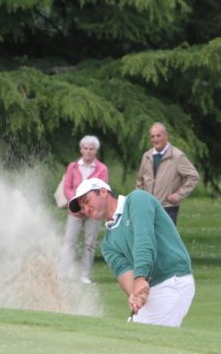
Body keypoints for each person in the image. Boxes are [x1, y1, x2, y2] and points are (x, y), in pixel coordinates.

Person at [68, 178, 195, 327]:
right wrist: (136, 295)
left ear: (103, 192)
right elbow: (124, 272)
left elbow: (144, 239)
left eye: (87, 201)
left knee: (149, 342)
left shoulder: (137, 199)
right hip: (152, 290)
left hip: (172, 280)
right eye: (83, 207)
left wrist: (140, 278)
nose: (86, 209)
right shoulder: (108, 244)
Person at [60, 135, 108, 284]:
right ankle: (63, 273)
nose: (88, 151)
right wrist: (75, 201)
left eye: (91, 149)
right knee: (69, 242)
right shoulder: (73, 167)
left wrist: (88, 204)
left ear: (96, 151)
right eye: (85, 148)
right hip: (75, 211)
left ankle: (84, 275)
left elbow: (101, 190)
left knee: (89, 244)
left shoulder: (102, 169)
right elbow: (67, 187)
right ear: (81, 150)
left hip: (93, 212)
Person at [136, 122, 199, 225]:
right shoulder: (147, 156)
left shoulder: (177, 156)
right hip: (148, 207)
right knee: (149, 238)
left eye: (158, 136)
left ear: (166, 136)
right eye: (152, 136)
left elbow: (193, 176)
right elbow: (140, 180)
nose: (155, 139)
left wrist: (178, 195)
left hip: (168, 207)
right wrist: (139, 199)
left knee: (166, 240)